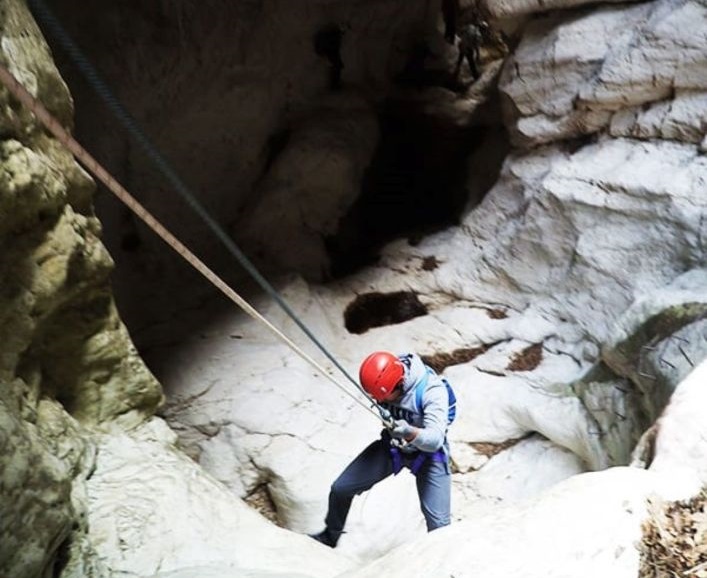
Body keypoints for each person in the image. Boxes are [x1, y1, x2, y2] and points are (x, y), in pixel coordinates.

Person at [310, 351, 452, 548]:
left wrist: (409, 431)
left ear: (400, 383)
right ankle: (330, 536)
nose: (381, 400)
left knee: (440, 526)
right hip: (393, 449)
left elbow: (435, 440)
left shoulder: (432, 391)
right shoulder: (383, 383)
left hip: (428, 456)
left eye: (384, 397)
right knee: (340, 489)